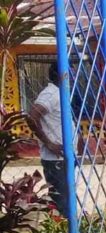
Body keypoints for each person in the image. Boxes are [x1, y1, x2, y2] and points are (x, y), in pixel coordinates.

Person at [28, 63, 68, 214]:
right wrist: (48, 143)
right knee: (61, 202)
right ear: (60, 75)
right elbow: (32, 117)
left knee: (66, 199)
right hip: (55, 159)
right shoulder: (51, 94)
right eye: (69, 73)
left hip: (63, 157)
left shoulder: (61, 93)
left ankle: (66, 231)